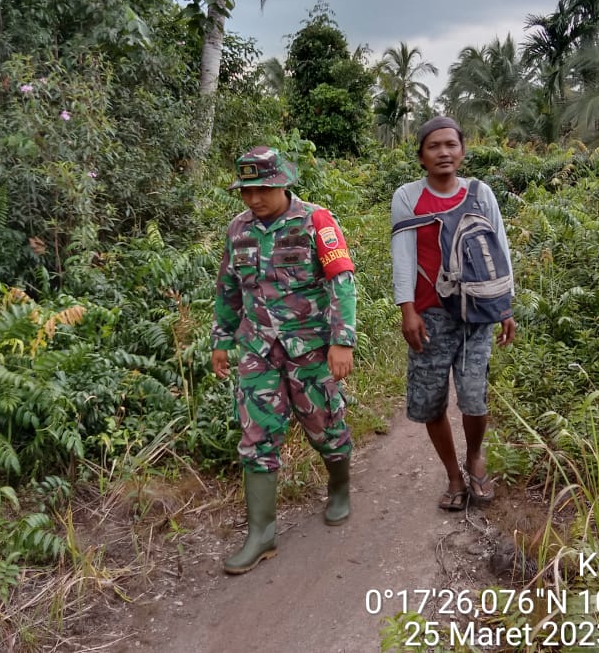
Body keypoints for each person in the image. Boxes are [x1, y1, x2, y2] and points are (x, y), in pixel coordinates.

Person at [211, 146, 357, 575]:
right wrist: (222, 338)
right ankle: (262, 533)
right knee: (255, 434)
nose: (253, 199)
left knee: (325, 423)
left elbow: (341, 281)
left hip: (309, 346)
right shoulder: (237, 230)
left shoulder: (316, 221)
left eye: (262, 189)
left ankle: (340, 489)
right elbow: (228, 289)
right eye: (246, 191)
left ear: (283, 183)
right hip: (257, 349)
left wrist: (342, 340)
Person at [390, 116, 516, 511]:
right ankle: (453, 476)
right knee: (430, 401)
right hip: (430, 314)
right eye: (433, 146)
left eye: (451, 145)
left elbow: (500, 250)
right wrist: (407, 310)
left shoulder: (481, 193)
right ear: (421, 156)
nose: (443, 152)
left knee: (474, 397)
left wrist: (505, 305)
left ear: (462, 151)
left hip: (477, 311)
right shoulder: (407, 197)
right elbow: (404, 257)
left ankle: (475, 457)